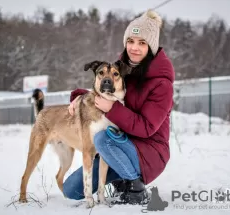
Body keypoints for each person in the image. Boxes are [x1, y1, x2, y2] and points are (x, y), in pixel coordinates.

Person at [62, 9, 175, 205]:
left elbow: (147, 128)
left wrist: (111, 108)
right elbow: (103, 86)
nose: (134, 48)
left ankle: (135, 187)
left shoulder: (161, 84)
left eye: (142, 43)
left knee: (102, 138)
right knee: (71, 189)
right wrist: (80, 97)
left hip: (148, 153)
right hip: (118, 146)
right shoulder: (121, 69)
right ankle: (122, 179)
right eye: (130, 41)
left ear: (152, 47)